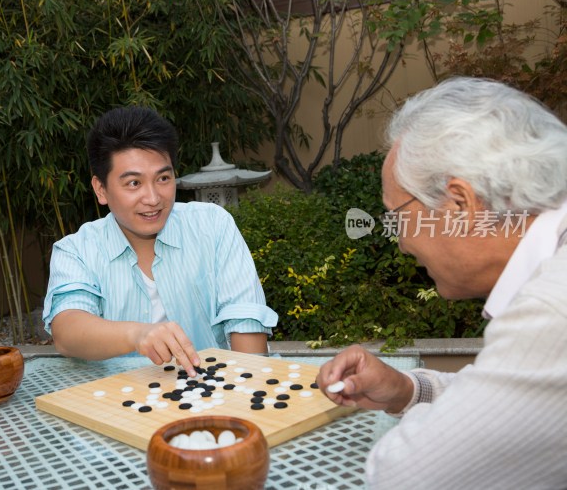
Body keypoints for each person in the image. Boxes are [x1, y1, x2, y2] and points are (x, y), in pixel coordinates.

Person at [316, 77, 567, 489]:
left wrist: (431, 425)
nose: (399, 243)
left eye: (396, 217)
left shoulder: (553, 313)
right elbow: (507, 403)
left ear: (459, 204)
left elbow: (404, 475)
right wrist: (405, 390)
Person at [42, 106, 277, 376]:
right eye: (133, 183)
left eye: (163, 178)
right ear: (101, 189)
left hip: (213, 393)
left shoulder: (212, 226)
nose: (153, 198)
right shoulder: (77, 250)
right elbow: (67, 329)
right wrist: (138, 334)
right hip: (119, 401)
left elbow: (245, 321)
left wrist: (246, 390)